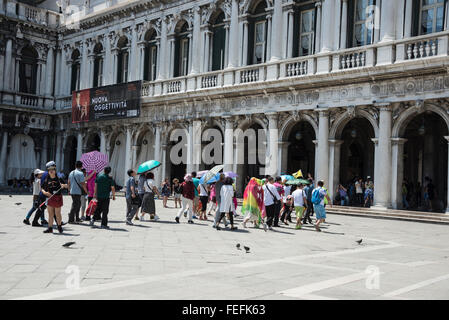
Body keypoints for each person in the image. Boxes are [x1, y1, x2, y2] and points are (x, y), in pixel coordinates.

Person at [41, 163, 68, 233]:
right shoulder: (47, 179)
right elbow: (42, 188)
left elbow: (67, 186)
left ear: (55, 170)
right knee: (50, 214)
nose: (51, 171)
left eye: (52, 169)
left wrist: (64, 185)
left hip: (57, 197)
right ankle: (50, 228)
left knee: (57, 213)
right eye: (49, 170)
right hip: (50, 198)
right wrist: (45, 193)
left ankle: (59, 227)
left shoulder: (59, 178)